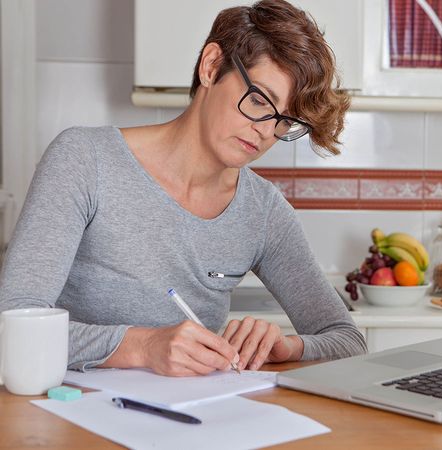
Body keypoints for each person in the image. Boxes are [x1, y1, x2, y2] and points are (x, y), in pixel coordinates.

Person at [0, 0, 367, 376]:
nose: (265, 131)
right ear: (211, 66)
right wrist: (143, 346)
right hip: (71, 416)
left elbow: (347, 339)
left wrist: (285, 347)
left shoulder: (263, 212)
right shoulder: (84, 159)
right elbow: (12, 321)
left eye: (284, 121)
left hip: (191, 421)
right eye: (259, 100)